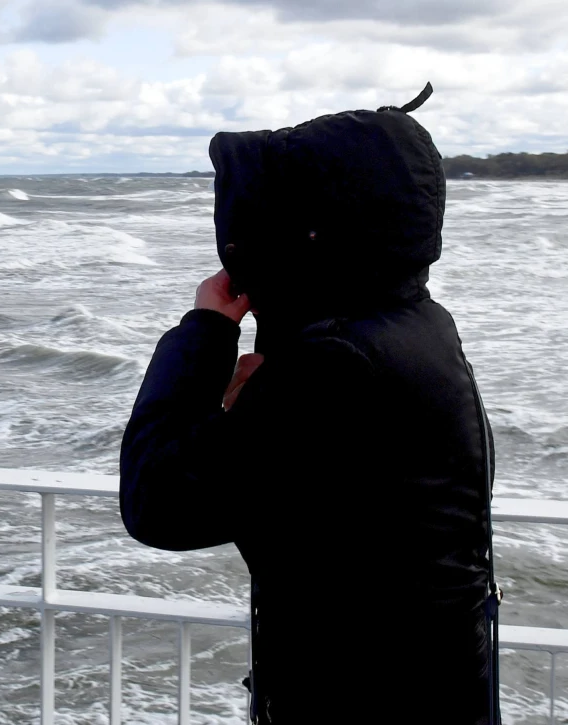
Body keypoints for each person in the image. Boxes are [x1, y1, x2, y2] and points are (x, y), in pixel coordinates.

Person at [119, 85, 500, 725]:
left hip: (366, 699)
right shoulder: (409, 322)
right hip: (429, 685)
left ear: (311, 232)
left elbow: (160, 505)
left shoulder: (338, 362)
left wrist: (207, 332)